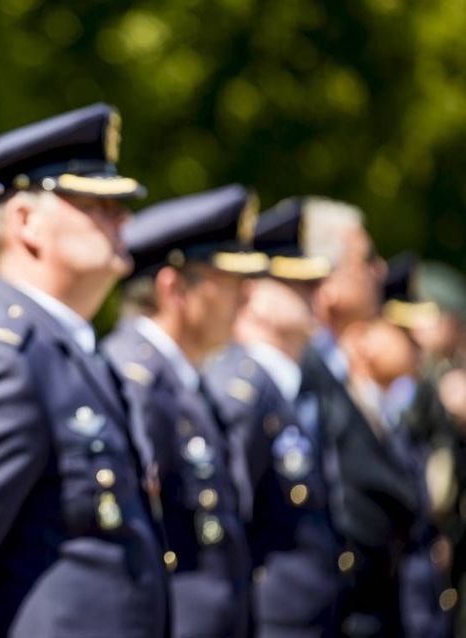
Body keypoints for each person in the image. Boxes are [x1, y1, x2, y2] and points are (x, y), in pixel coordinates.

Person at [0, 104, 171, 638]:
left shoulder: (70, 346)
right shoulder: (4, 356)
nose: (122, 219)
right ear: (25, 221)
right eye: (95, 203)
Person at [102, 184, 262, 638]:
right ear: (173, 288)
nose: (245, 299)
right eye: (228, 281)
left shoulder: (184, 381)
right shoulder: (137, 382)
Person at [202, 198, 344, 637]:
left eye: (316, 282)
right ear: (254, 293)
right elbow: (233, 526)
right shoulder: (242, 389)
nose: (315, 295)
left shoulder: (285, 384)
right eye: (297, 285)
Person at [299, 197, 418, 637]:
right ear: (324, 276)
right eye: (365, 259)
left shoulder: (333, 364)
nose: (380, 271)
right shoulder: (299, 371)